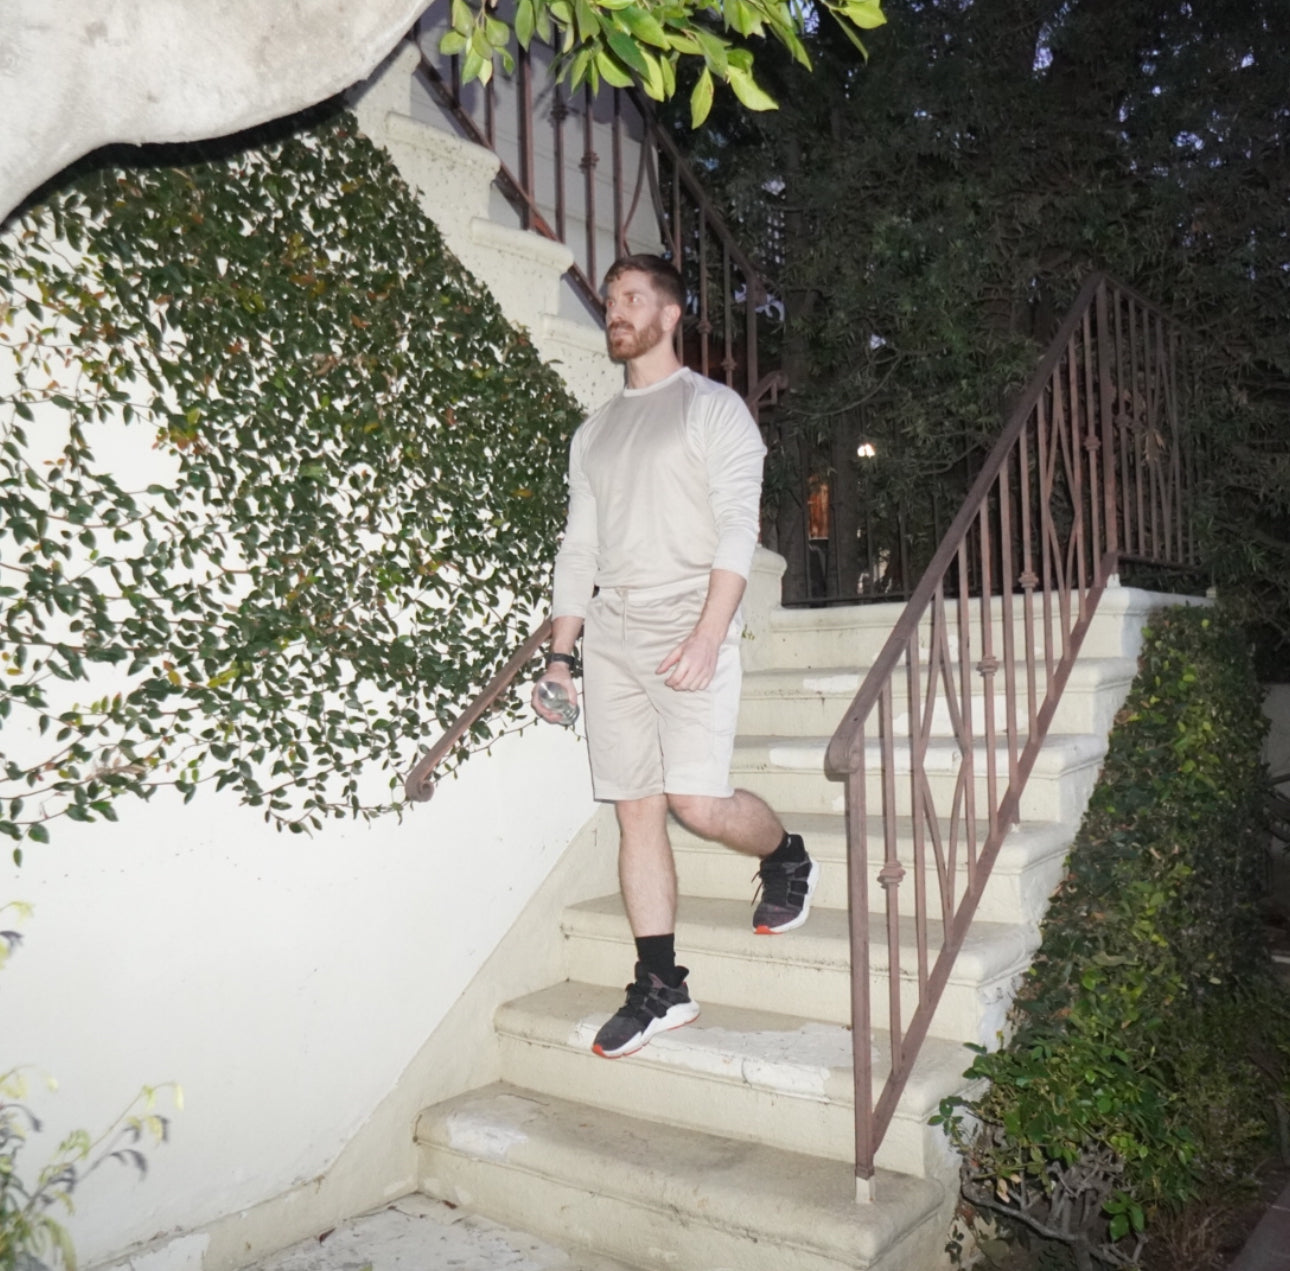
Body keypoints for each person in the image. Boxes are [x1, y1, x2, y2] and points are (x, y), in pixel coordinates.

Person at [532, 254, 817, 1060]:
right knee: (636, 808)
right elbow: (578, 546)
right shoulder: (595, 430)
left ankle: (786, 852)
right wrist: (562, 656)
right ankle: (662, 983)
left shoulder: (713, 410)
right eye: (611, 299)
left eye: (631, 299)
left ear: (670, 313)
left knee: (696, 799)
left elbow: (737, 528)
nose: (614, 311)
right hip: (614, 635)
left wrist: (707, 632)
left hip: (690, 618)